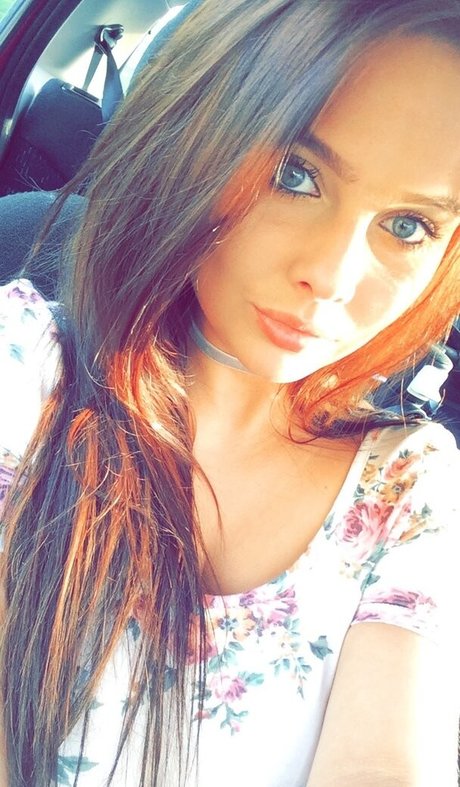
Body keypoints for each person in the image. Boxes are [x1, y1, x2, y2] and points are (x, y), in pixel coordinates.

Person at [0, 0, 460, 784]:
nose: (334, 277)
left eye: (409, 226)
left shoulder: (408, 484)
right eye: (295, 175)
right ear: (196, 140)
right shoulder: (27, 370)